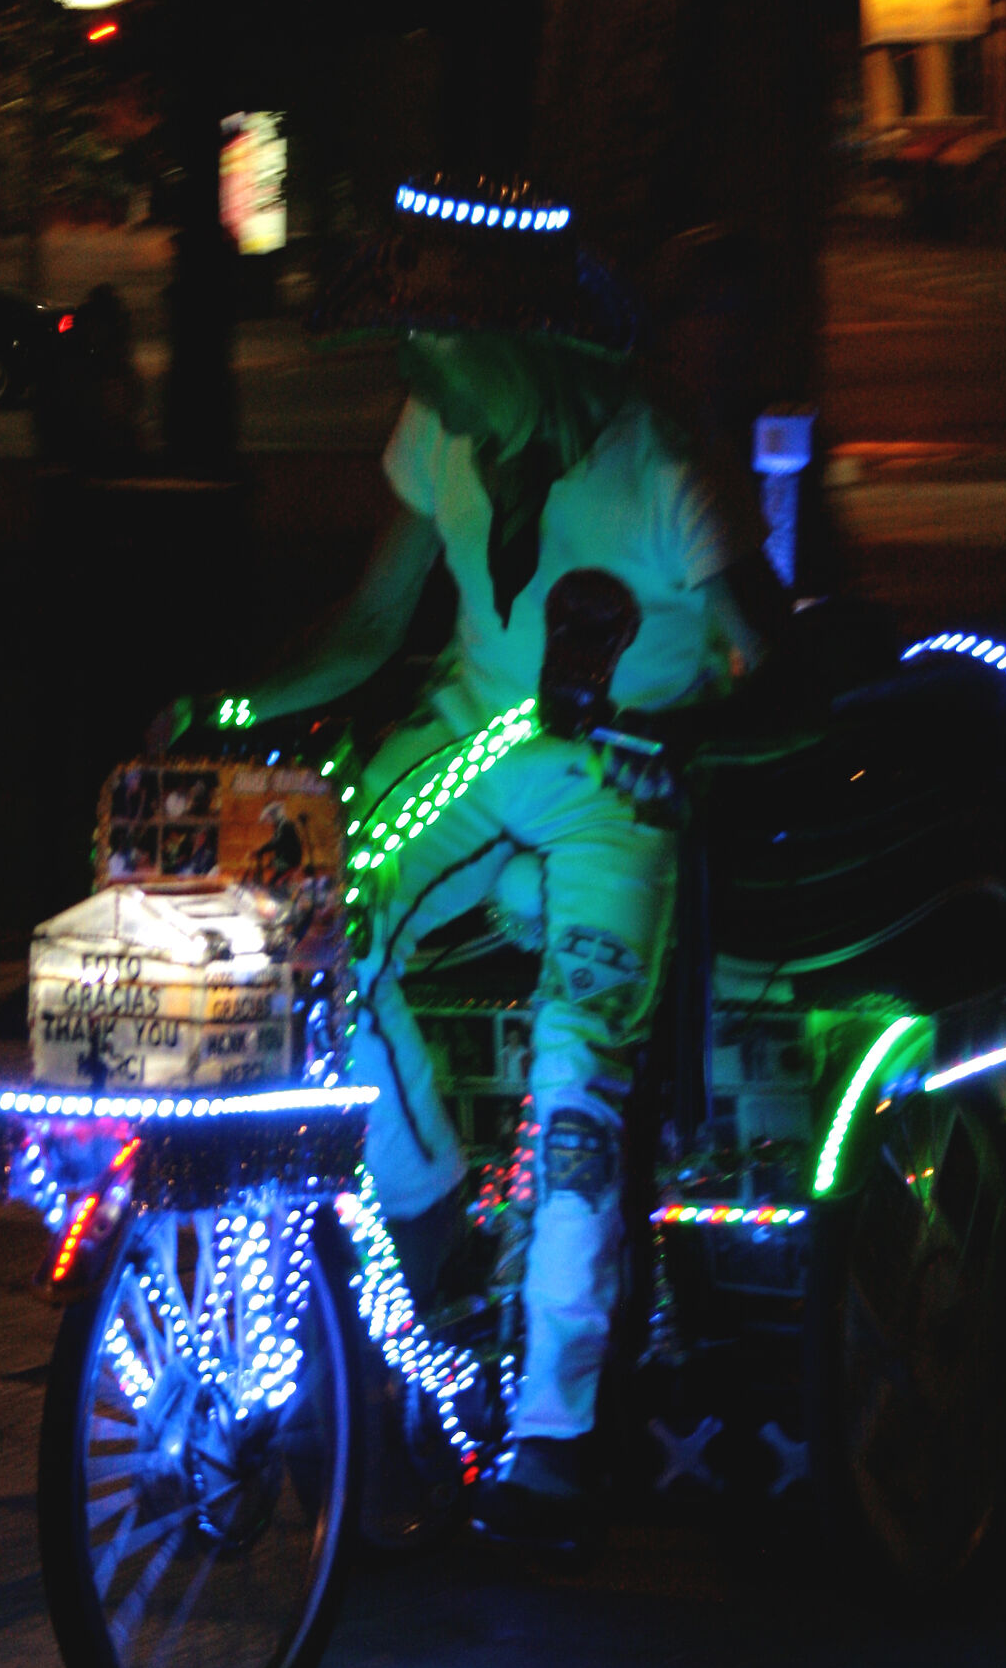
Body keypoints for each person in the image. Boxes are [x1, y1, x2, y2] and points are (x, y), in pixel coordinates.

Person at [153, 177, 777, 1542]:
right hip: (467, 736)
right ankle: (423, 1201)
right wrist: (237, 706)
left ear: (518, 340)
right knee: (308, 928)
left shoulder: (659, 461)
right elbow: (376, 620)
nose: (416, 368)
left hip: (619, 776)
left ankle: (554, 1431)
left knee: (577, 1091)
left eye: (435, 339)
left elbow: (760, 656)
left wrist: (686, 739)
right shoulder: (440, 435)